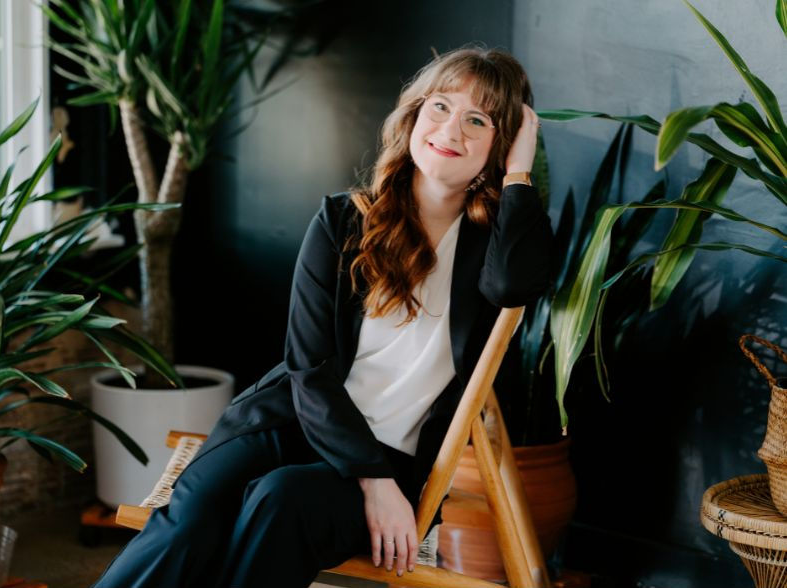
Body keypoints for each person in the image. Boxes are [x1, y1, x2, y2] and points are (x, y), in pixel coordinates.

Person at [91, 44, 555, 588]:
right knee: (189, 518)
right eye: (440, 107)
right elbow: (308, 367)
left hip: (394, 454)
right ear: (413, 115)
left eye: (477, 120)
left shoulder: (493, 246)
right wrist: (370, 479)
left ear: (498, 145)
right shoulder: (342, 220)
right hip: (292, 421)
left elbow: (513, 287)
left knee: (280, 501)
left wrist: (520, 169)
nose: (450, 131)